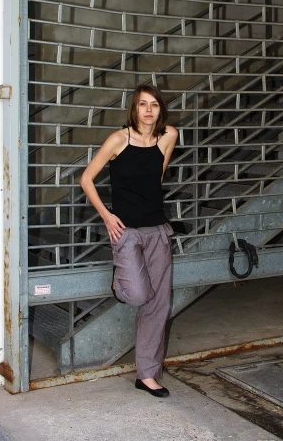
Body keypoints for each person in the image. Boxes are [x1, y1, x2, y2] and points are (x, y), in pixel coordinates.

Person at [80, 84, 178, 398]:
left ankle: (147, 374)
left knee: (159, 304)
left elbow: (157, 177)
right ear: (133, 109)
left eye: (154, 105)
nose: (148, 110)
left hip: (157, 230)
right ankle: (121, 278)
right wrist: (107, 216)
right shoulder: (118, 140)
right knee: (137, 295)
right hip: (126, 231)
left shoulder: (169, 136)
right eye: (142, 105)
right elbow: (86, 178)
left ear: (160, 110)